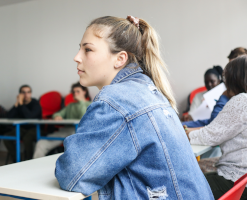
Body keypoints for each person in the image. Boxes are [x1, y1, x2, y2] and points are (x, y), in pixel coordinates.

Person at [55, 16, 214, 200]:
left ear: (120, 58)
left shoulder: (116, 100)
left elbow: (71, 175)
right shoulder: (147, 88)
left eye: (88, 49)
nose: (77, 57)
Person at [185, 55, 247, 199]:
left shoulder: (241, 101)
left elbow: (209, 136)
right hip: (242, 179)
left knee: (185, 185)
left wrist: (185, 134)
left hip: (236, 182)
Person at [33, 82, 91, 159]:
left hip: (79, 133)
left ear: (84, 92)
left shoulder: (90, 105)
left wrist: (81, 102)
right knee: (41, 143)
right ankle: (37, 167)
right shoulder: (70, 106)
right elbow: (57, 114)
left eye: (78, 91)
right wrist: (57, 116)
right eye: (73, 92)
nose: (75, 94)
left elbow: (84, 118)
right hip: (65, 131)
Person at [4, 85, 42, 161]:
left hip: (35, 128)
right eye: (23, 92)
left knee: (27, 138)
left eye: (28, 92)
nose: (26, 94)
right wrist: (17, 104)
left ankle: (29, 160)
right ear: (20, 94)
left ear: (31, 93)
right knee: (6, 137)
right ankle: (17, 160)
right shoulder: (19, 104)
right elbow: (9, 117)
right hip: (22, 128)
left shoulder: (35, 103)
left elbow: (30, 117)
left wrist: (21, 104)